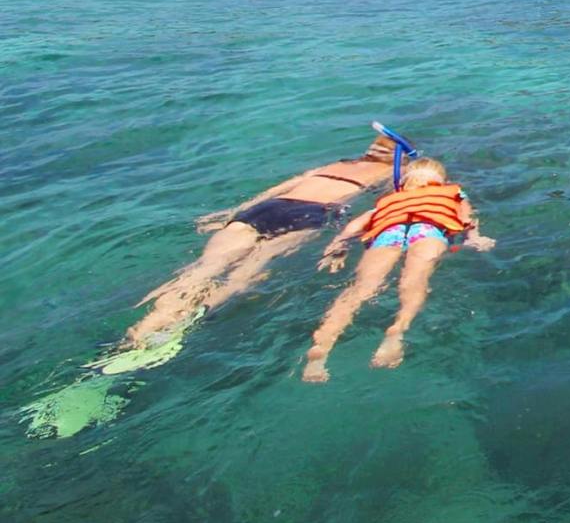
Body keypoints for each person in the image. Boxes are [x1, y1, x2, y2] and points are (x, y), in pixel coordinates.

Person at [123, 131, 399, 350]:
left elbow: (276, 189)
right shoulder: (385, 173)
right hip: (309, 213)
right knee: (248, 271)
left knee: (204, 269)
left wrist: (230, 214)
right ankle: (195, 316)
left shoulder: (336, 164)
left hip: (266, 208)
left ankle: (147, 325)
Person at [301, 156, 493, 382]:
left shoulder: (390, 199)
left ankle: (322, 347)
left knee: (359, 290)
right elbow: (466, 217)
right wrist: (475, 238)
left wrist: (338, 245)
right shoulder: (454, 192)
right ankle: (398, 329)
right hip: (428, 231)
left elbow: (355, 226)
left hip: (388, 234)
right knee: (414, 281)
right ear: (441, 180)